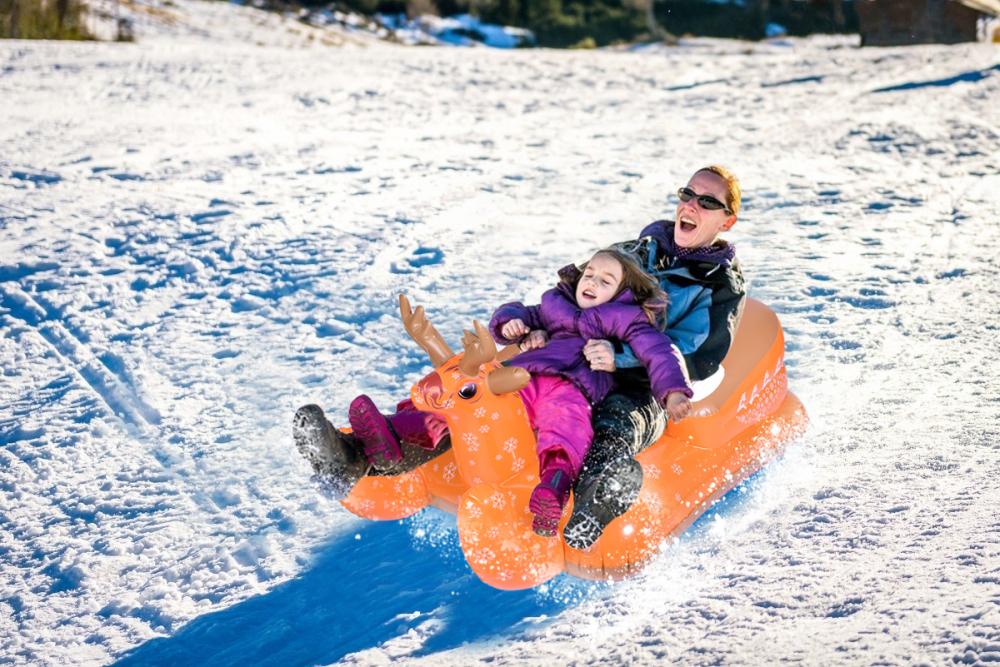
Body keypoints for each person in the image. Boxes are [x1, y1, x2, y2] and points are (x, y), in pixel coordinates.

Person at [293, 165, 746, 550]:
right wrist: (532, 327)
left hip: (638, 380)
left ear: (726, 221)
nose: (692, 205)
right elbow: (574, 296)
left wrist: (621, 356)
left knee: (614, 422)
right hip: (565, 357)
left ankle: (594, 496)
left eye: (708, 202)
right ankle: (359, 453)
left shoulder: (719, 284)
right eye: (688, 194)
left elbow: (699, 358)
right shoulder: (636, 249)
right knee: (474, 389)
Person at [488, 249, 692, 536]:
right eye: (590, 274)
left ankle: (554, 490)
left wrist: (673, 391)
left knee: (566, 426)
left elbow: (659, 351)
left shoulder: (625, 318)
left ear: (623, 293)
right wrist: (511, 322)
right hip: (526, 373)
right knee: (482, 393)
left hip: (573, 387)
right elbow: (524, 311)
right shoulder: (557, 304)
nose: (592, 283)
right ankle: (419, 431)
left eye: (606, 282)